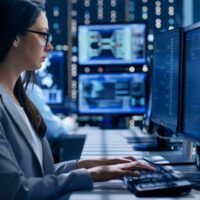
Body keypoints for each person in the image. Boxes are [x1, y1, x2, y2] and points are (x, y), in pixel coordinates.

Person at [0, 0, 154, 199]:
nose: (50, 45)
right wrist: (90, 175)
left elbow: (38, 174)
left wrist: (87, 164)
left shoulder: (19, 98)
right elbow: (16, 191)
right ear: (14, 37)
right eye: (43, 35)